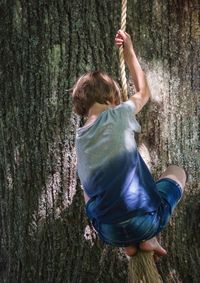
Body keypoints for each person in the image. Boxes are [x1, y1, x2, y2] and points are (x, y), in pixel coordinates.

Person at [72, 30, 187, 257]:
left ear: (81, 108)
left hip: (108, 231)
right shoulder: (119, 114)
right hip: (146, 221)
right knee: (177, 171)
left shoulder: (80, 138)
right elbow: (143, 93)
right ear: (113, 100)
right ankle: (147, 237)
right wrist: (130, 54)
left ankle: (130, 242)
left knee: (89, 189)